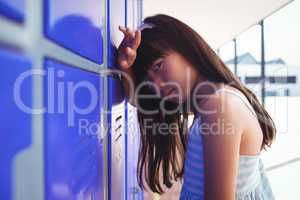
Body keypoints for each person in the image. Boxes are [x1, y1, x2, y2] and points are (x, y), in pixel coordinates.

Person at [117, 14, 276, 200]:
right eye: (149, 82)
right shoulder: (207, 102)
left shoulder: (218, 107)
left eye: (158, 66)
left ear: (184, 47)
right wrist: (125, 67)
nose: (157, 86)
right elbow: (139, 100)